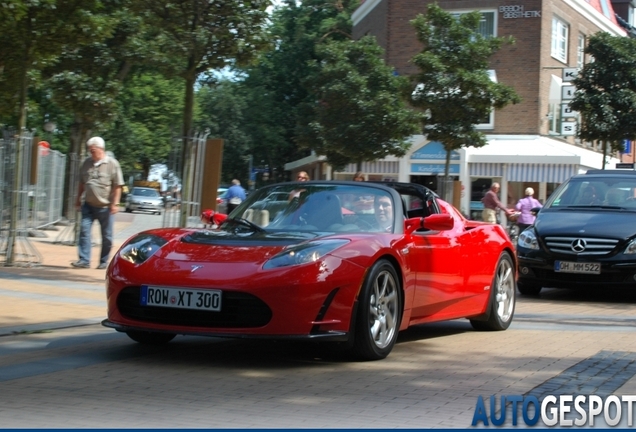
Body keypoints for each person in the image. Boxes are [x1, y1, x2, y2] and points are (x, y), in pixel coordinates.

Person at [72, 137, 124, 269]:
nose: (91, 153)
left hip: (105, 207)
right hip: (88, 205)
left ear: (101, 149)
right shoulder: (86, 163)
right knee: (84, 230)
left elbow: (118, 185)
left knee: (107, 236)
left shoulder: (112, 164)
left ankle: (103, 261)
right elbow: (82, 184)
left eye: (93, 150)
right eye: (90, 150)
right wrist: (78, 199)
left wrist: (115, 204)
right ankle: (84, 260)